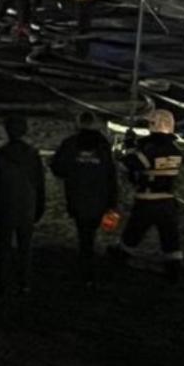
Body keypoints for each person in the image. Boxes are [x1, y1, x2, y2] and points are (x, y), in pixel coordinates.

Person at [49, 110, 119, 282]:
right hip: (99, 198)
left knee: (84, 234)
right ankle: (89, 269)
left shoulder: (70, 144)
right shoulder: (102, 144)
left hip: (77, 196)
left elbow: (58, 168)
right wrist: (112, 201)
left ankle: (85, 268)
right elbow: (110, 174)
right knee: (90, 234)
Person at [116, 108, 184, 280]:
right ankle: (174, 271)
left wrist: (128, 147)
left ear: (156, 125)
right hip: (168, 203)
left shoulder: (152, 149)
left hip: (147, 201)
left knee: (131, 236)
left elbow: (129, 165)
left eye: (149, 123)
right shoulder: (175, 150)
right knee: (170, 241)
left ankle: (118, 262)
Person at [0, 114, 46, 294]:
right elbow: (39, 184)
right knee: (25, 247)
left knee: (3, 246)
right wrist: (39, 206)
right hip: (27, 205)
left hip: (4, 205)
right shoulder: (33, 156)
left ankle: (3, 281)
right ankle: (24, 282)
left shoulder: (0, 156)